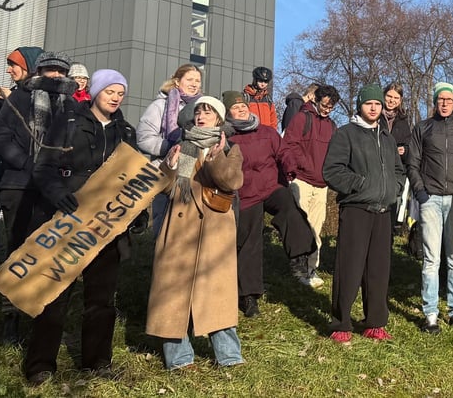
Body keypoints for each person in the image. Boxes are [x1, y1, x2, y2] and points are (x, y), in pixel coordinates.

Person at [23, 70, 134, 385]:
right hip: (68, 223)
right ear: (96, 92)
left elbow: (134, 179)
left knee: (101, 299)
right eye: (110, 91)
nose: (115, 97)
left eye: (120, 93)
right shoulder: (68, 123)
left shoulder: (126, 131)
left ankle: (97, 363)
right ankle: (40, 365)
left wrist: (135, 215)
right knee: (54, 296)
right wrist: (58, 195)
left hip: (107, 228)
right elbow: (43, 168)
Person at [146, 96, 245, 370]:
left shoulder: (229, 148)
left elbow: (231, 181)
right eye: (198, 112)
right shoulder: (183, 146)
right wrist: (169, 166)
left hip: (215, 231)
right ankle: (179, 358)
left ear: (219, 119)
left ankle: (229, 356)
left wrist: (215, 158)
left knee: (217, 294)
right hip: (180, 228)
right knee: (173, 294)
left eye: (208, 112)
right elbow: (168, 189)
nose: (201, 116)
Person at [0, 50, 76, 343]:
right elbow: (0, 139)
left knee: (51, 255)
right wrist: (29, 164)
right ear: (39, 71)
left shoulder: (72, 105)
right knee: (17, 252)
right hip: (20, 186)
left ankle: (45, 321)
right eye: (50, 69)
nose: (56, 75)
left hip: (55, 190)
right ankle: (10, 320)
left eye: (61, 71)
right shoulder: (20, 98)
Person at [323, 84, 406, 343]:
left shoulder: (387, 137)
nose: (373, 108)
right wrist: (359, 184)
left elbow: (399, 170)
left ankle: (375, 323)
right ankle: (341, 323)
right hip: (356, 209)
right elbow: (332, 170)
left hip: (383, 212)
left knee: (378, 271)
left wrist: (395, 187)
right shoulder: (346, 134)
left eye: (377, 104)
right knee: (349, 268)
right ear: (360, 105)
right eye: (369, 103)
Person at [224, 91, 315, 318]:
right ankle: (249, 296)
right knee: (249, 242)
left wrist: (290, 167)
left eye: (243, 106)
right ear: (227, 114)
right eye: (235, 108)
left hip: (271, 185)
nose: (241, 110)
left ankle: (299, 256)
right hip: (245, 194)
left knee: (290, 208)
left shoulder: (266, 131)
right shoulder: (227, 137)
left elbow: (284, 151)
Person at [408, 82, 453, 333]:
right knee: (431, 259)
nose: (445, 103)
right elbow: (412, 163)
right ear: (435, 102)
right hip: (431, 200)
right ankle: (431, 314)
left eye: (449, 99)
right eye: (441, 99)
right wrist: (421, 193)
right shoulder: (423, 128)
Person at [0, 46, 42, 293]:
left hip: (20, 179)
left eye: (14, 65)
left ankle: (16, 291)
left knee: (18, 236)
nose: (8, 70)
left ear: (29, 67)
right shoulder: (14, 94)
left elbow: (30, 132)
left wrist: (10, 101)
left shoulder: (38, 98)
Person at [279, 83, 340, 287]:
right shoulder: (301, 118)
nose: (327, 109)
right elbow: (289, 144)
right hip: (302, 180)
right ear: (316, 100)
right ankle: (298, 268)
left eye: (331, 107)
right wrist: (302, 165)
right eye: (325, 105)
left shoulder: (332, 126)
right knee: (300, 227)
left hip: (322, 184)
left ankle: (311, 268)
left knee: (316, 227)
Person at [136, 64, 202, 236]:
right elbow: (144, 138)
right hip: (167, 170)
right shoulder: (161, 105)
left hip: (196, 173)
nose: (194, 84)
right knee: (165, 226)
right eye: (190, 79)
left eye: (197, 80)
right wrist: (170, 147)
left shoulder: (203, 108)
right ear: (177, 81)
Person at [378, 83, 412, 226]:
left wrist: (405, 150)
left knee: (391, 217)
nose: (392, 100)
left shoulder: (404, 121)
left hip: (395, 174)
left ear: (400, 100)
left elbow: (409, 146)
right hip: (376, 171)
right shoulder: (375, 116)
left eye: (396, 98)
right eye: (389, 96)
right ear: (383, 96)